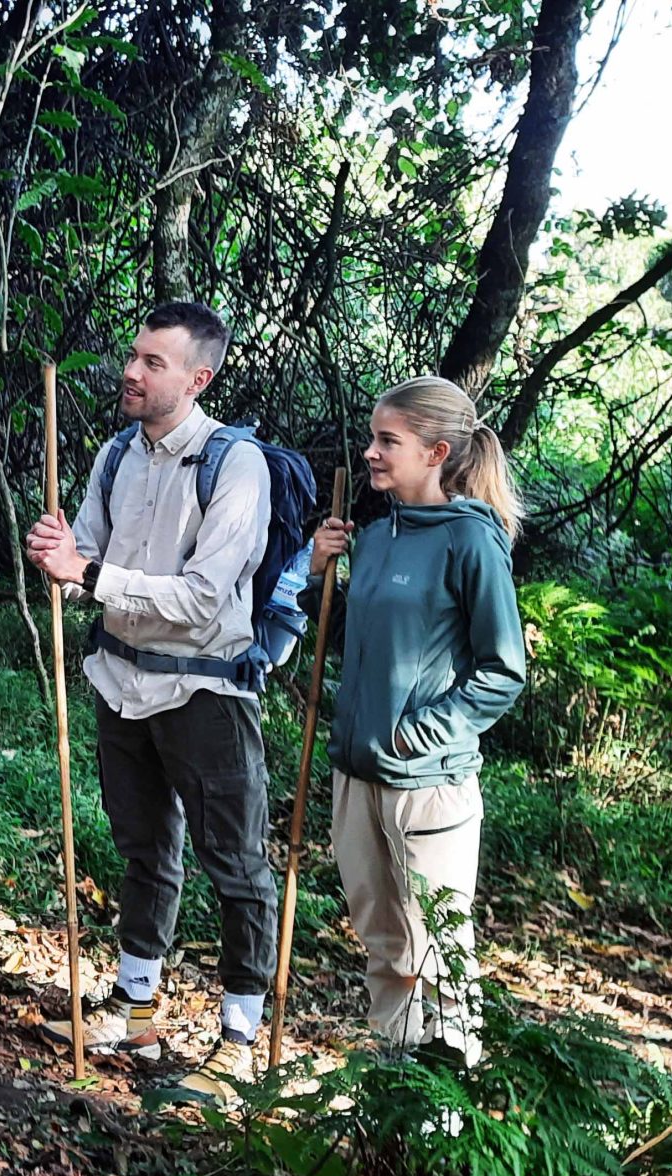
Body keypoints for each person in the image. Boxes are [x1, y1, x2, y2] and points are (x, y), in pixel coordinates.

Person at [26, 301, 276, 1103]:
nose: (131, 372)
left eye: (153, 363)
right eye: (133, 356)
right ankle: (137, 1007)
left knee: (235, 863)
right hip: (119, 680)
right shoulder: (114, 455)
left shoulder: (235, 465)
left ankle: (240, 1036)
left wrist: (89, 575)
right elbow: (89, 550)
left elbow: (205, 598)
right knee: (143, 849)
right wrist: (61, 555)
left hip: (205, 688)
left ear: (198, 378)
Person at [307, 376, 526, 1070]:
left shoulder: (472, 542)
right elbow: (340, 636)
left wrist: (420, 731)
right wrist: (319, 568)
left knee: (437, 954)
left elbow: (503, 669)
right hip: (356, 774)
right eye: (373, 437)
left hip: (426, 786)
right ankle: (395, 1101)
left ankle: (450, 1120)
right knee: (384, 947)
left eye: (387, 441)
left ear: (436, 452)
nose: (370, 452)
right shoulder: (371, 536)